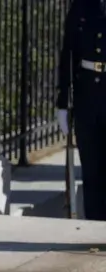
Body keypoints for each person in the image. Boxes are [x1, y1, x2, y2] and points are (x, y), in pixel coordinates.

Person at [56, 0, 106, 220]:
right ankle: (95, 232)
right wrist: (63, 101)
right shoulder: (83, 5)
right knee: (91, 170)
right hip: (87, 96)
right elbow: (68, 52)